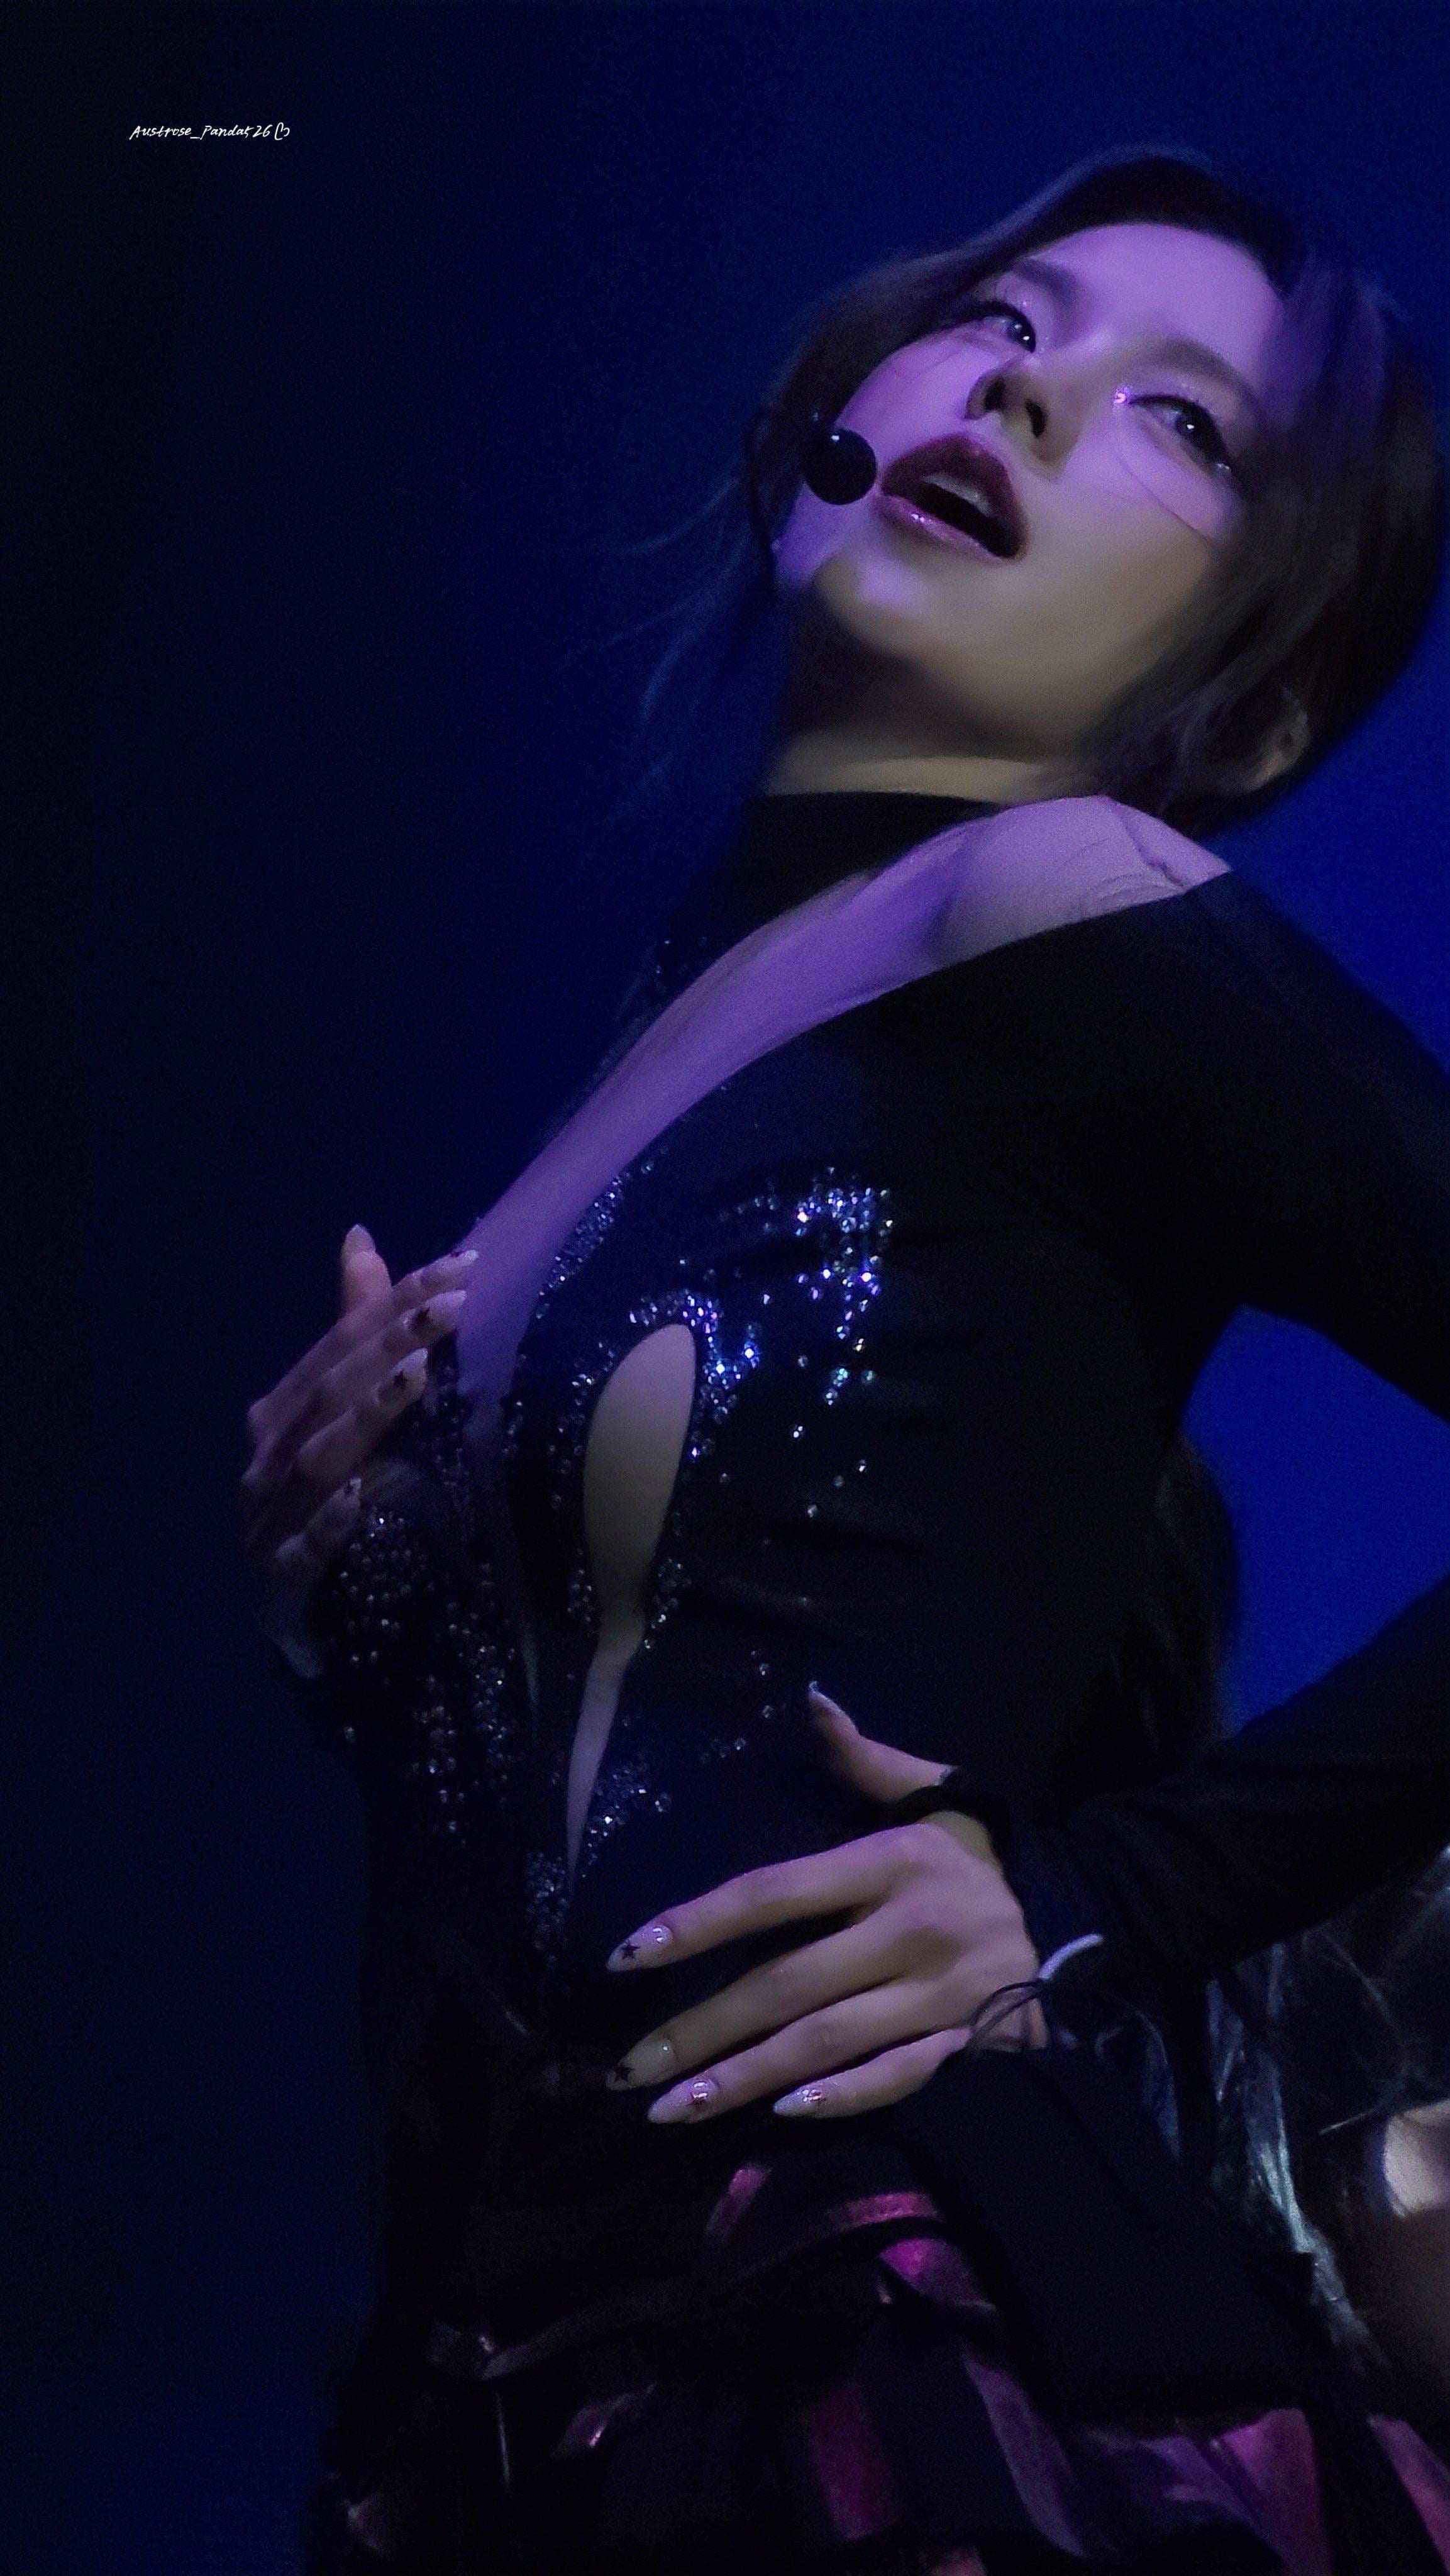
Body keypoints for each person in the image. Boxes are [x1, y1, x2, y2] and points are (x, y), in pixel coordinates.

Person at [240, 150, 1450, 2572]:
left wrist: (1108, 1895)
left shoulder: (1059, 901)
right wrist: (330, 1584)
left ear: (1253, 693)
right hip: (509, 2439)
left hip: (870, 2380)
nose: (1025, 390)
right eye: (1004, 314)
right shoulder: (648, 1060)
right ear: (834, 407)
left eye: (1181, 420)